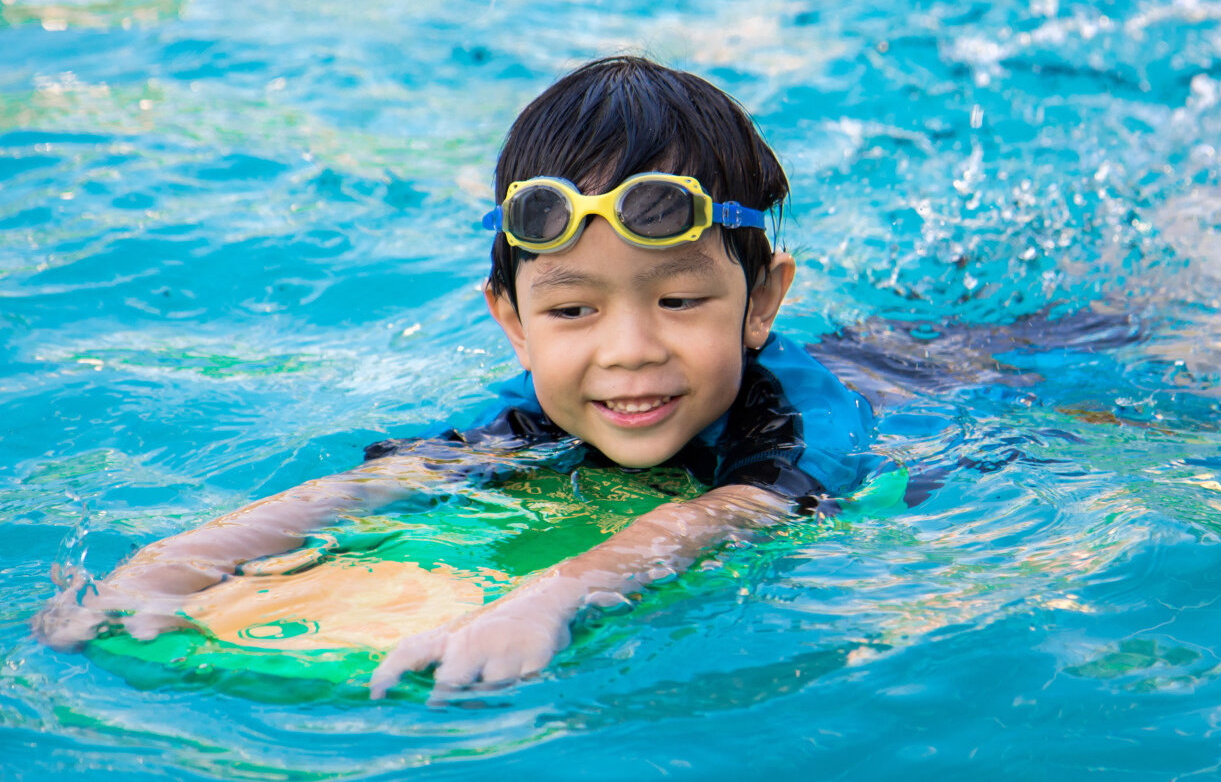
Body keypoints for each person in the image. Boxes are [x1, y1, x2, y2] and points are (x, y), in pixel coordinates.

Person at [32, 56, 887, 700]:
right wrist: (170, 565)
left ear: (761, 299)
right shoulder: (539, 412)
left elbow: (725, 513)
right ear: (511, 320)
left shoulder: (801, 419)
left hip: (935, 376)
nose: (628, 350)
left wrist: (552, 597)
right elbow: (373, 485)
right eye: (572, 312)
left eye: (679, 297)